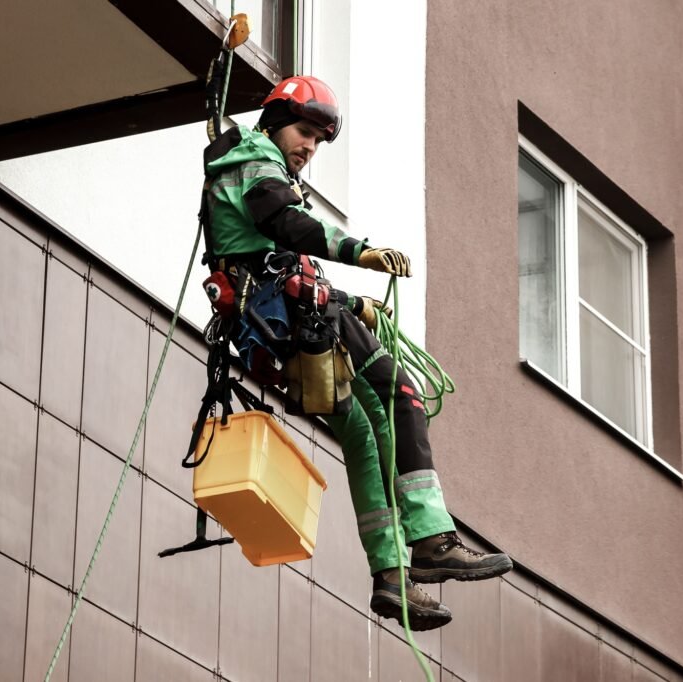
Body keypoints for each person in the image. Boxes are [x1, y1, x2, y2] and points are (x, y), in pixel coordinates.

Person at [201, 75, 511, 630]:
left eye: (319, 141)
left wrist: (353, 301)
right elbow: (286, 226)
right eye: (304, 132)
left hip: (286, 326)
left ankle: (392, 578)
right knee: (402, 394)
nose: (309, 148)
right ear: (273, 123)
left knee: (365, 436)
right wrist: (359, 252)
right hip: (294, 324)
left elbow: (269, 257)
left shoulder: (252, 168)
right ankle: (433, 540)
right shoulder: (254, 162)